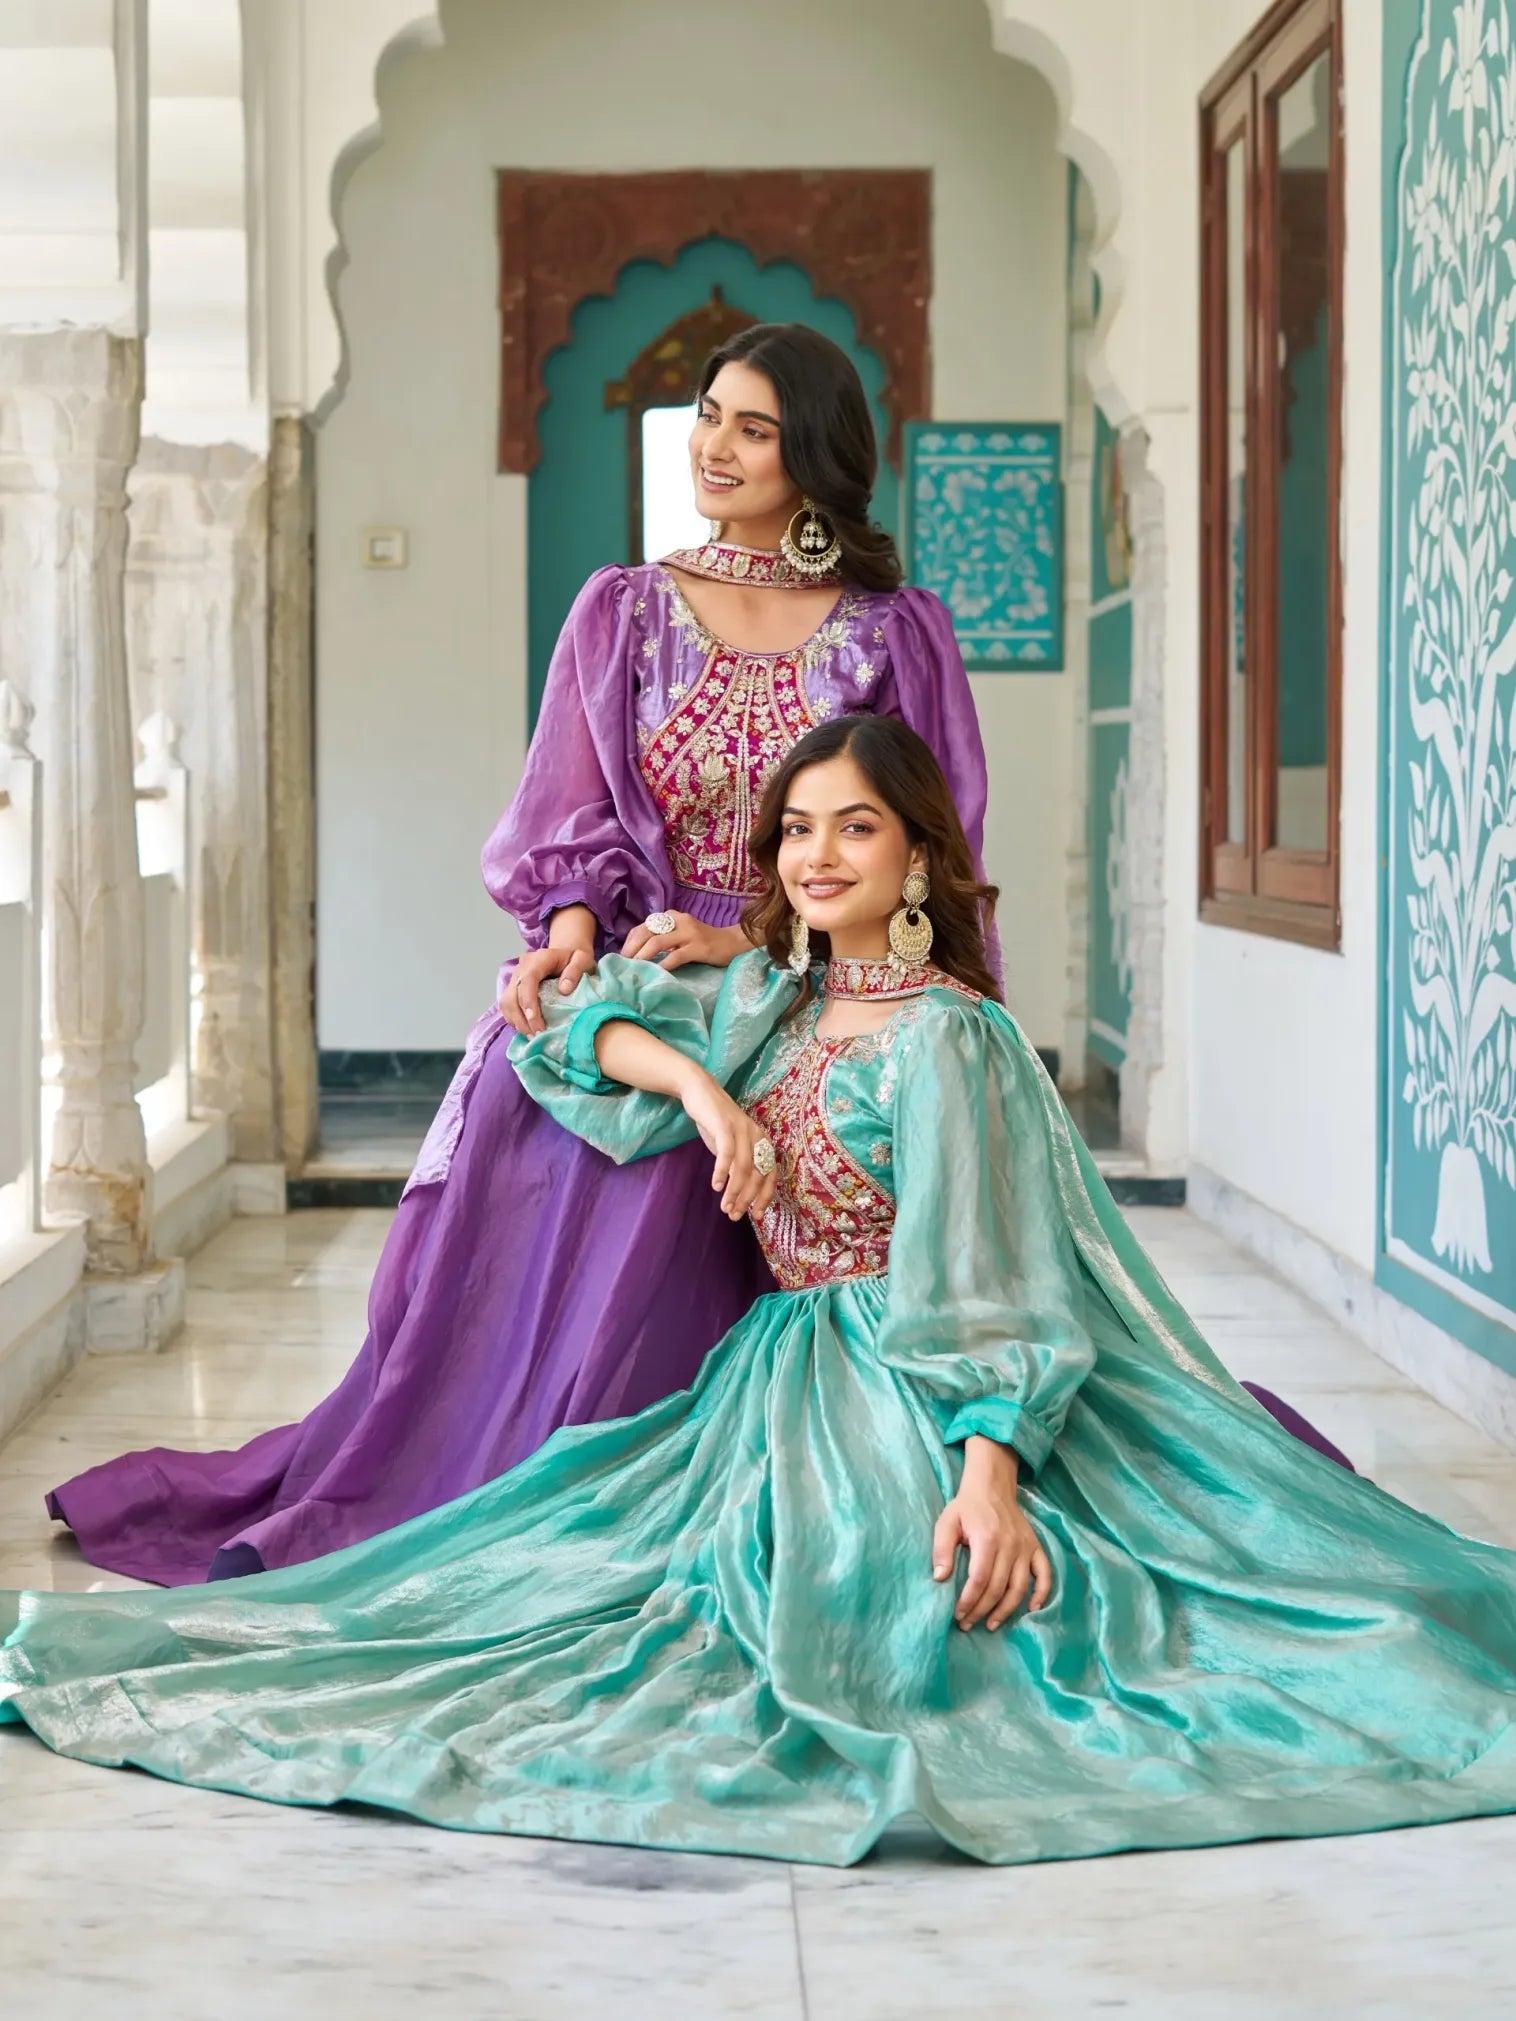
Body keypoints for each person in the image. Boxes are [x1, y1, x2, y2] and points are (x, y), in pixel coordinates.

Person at [5, 718, 1513, 1871]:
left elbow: (989, 1274)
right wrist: (705, 1095)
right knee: (549, 1585)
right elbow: (567, 1029)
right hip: (770, 1378)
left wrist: (990, 1475)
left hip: (914, 1380)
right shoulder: (774, 997)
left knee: (882, 1625)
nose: (817, 855)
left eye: (857, 827)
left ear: (918, 857)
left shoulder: (951, 1037)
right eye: (796, 829)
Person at [44, 324, 997, 1586]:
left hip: (816, 980)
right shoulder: (626, 611)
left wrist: (752, 935)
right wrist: (566, 938)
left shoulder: (892, 632)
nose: (715, 447)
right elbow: (571, 811)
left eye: (755, 428)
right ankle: (528, 1468)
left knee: (759, 1150)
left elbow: (927, 836)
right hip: (643, 966)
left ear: (813, 452)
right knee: (529, 1087)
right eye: (709, 415)